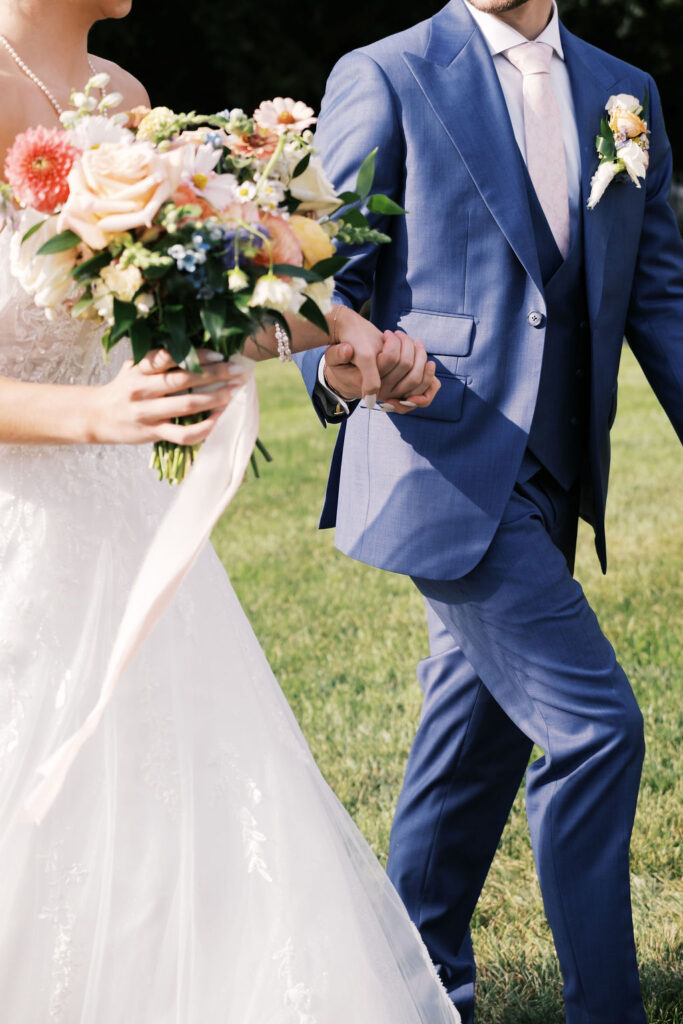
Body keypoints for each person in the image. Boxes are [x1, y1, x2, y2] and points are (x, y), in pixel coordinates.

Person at [0, 1, 464, 1020]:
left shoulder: (120, 99)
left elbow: (179, 307)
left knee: (188, 805)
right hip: (21, 534)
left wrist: (328, 329)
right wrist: (91, 413)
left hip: (130, 534)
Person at [294, 1, 683, 1022]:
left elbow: (656, 295)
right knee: (594, 728)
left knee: (474, 745)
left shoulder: (620, 93)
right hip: (439, 456)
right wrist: (354, 370)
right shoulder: (383, 71)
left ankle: (417, 986)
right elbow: (315, 276)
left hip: (553, 471)